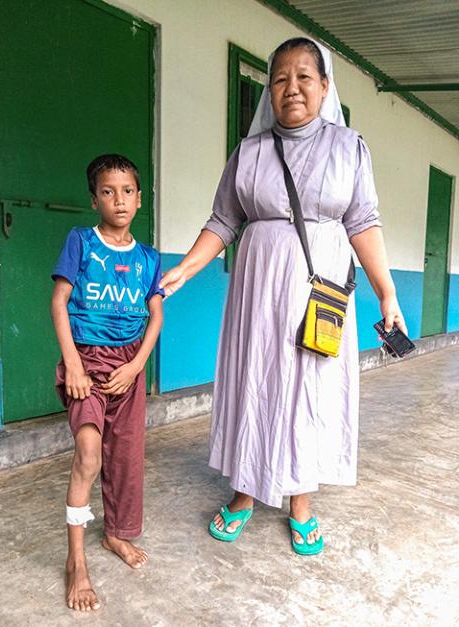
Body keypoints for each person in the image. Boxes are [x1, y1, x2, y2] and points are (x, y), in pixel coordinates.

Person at [160, 38, 407, 555]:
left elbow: (363, 222)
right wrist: (185, 266)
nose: (291, 88)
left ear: (323, 86)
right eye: (279, 79)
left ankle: (300, 500)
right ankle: (244, 492)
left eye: (303, 77)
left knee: (309, 387)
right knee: (255, 378)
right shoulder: (249, 152)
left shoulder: (348, 147)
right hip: (257, 289)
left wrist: (388, 294)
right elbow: (225, 219)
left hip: (321, 292)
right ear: (268, 90)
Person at [51, 154, 164, 611]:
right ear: (93, 198)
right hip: (87, 362)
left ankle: (115, 534)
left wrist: (137, 366)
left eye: (127, 191)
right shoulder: (81, 242)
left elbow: (155, 314)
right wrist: (74, 366)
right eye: (107, 191)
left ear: (140, 198)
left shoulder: (148, 258)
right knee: (89, 453)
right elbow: (59, 302)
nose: (118, 199)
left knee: (126, 457)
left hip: (128, 368)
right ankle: (75, 560)